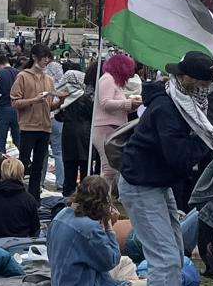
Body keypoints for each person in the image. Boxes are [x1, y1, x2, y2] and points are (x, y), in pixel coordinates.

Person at [120, 50, 213, 286]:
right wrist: (199, 144)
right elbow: (177, 156)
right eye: (205, 81)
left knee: (172, 257)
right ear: (190, 79)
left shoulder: (182, 102)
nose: (209, 87)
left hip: (154, 183)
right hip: (143, 185)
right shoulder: (170, 108)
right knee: (165, 258)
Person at [48, 175, 131, 286]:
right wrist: (108, 226)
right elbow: (112, 260)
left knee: (127, 263)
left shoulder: (61, 215)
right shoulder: (89, 228)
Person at [12, 45, 57, 198]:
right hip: (28, 126)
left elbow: (49, 106)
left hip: (45, 127)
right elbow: (15, 102)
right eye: (44, 57)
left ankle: (34, 197)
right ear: (34, 57)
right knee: (23, 163)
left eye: (48, 57)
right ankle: (18, 194)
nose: (46, 60)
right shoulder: (23, 76)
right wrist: (34, 100)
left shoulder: (49, 79)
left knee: (39, 166)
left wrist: (61, 102)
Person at [90, 52, 138, 184]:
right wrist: (128, 103)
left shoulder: (114, 82)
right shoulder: (107, 79)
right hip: (105, 128)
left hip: (112, 127)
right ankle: (102, 200)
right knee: (109, 169)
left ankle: (104, 199)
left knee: (111, 169)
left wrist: (131, 106)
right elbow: (105, 103)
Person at [0, 154, 41, 239]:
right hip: (18, 243)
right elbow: (35, 229)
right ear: (21, 173)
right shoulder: (29, 199)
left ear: (2, 172)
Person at [59, 61, 96, 193]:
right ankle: (86, 198)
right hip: (85, 136)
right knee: (86, 172)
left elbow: (58, 116)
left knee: (69, 172)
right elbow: (93, 115)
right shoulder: (86, 98)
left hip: (68, 135)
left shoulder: (66, 98)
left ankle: (67, 198)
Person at [0, 53, 19, 156]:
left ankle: (1, 165)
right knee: (19, 139)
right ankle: (24, 164)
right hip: (18, 109)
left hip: (3, 109)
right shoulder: (19, 73)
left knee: (1, 141)